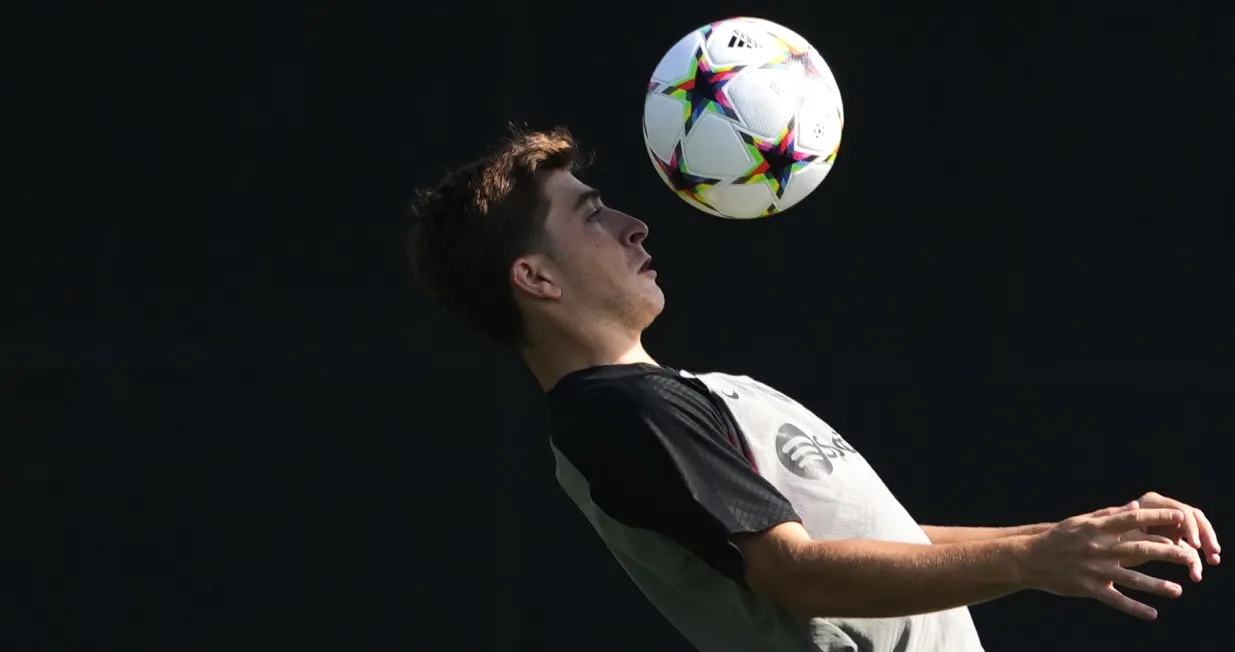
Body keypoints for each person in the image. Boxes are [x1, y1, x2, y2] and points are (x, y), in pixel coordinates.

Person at [407, 126, 1221, 651]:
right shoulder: (617, 411)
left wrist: (1067, 534)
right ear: (535, 278)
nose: (633, 223)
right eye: (589, 214)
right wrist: (1038, 558)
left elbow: (873, 537)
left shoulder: (674, 395)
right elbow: (794, 572)